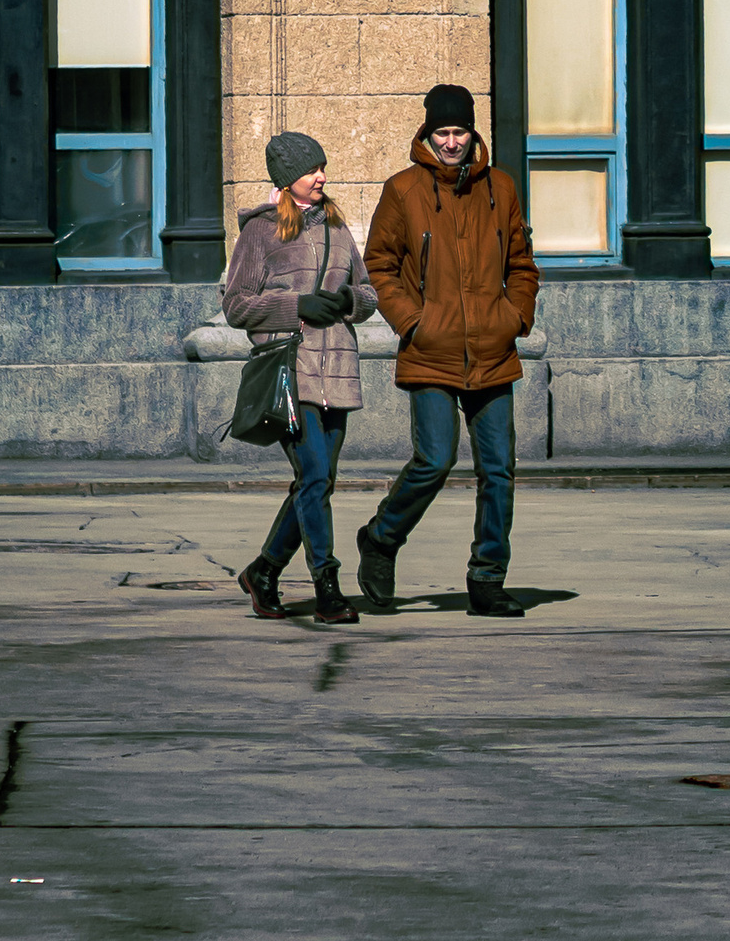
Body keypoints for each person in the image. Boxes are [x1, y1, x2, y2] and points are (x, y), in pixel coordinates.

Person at [356, 83, 538, 618]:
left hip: (493, 348)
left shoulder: (500, 189)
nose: (452, 141)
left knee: (498, 469)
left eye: (460, 131)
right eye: (443, 132)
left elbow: (522, 264)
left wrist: (514, 317)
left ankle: (487, 579)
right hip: (430, 349)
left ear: (472, 132)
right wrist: (414, 322)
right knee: (434, 460)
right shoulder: (403, 191)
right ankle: (382, 539)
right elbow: (380, 265)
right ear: (428, 134)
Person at [224, 133, 378, 629]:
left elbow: (369, 290)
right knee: (314, 477)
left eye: (323, 168)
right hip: (291, 373)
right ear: (288, 177)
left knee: (318, 481)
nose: (322, 177)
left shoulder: (336, 225)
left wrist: (349, 303)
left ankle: (264, 571)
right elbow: (236, 306)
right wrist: (296, 307)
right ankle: (327, 587)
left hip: (338, 368)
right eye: (313, 170)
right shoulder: (260, 233)